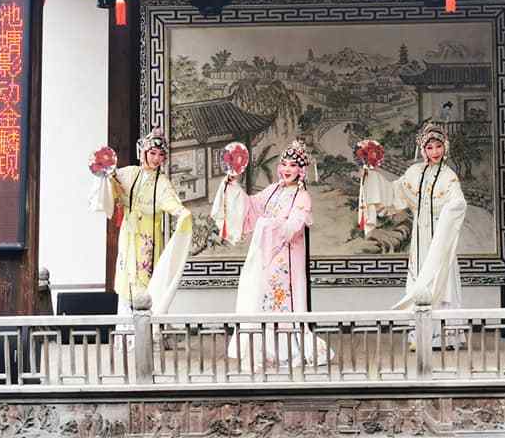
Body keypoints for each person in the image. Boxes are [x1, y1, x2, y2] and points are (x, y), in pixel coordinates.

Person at [212, 140, 329, 365]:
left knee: (284, 302)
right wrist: (233, 186)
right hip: (266, 256)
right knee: (263, 297)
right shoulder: (273, 189)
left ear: (301, 170)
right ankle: (265, 349)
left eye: (293, 165)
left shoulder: (302, 196)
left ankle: (289, 350)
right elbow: (251, 206)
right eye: (283, 164)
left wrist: (269, 225)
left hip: (287, 259)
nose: (286, 169)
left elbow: (293, 227)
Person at [364, 121, 467, 345]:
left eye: (438, 146)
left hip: (441, 236)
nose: (434, 152)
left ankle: (446, 337)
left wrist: (452, 208)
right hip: (420, 236)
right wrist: (372, 175)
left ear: (445, 147)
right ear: (423, 150)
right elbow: (392, 192)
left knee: (442, 279)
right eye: (429, 148)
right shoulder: (414, 172)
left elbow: (458, 201)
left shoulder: (449, 176)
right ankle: (420, 335)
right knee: (420, 278)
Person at [90, 128, 193, 318]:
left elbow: (171, 203)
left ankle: (148, 335)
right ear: (143, 153)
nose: (156, 158)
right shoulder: (130, 173)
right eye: (152, 153)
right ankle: (125, 334)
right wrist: (107, 175)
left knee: (147, 282)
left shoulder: (162, 183)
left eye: (160, 155)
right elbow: (111, 186)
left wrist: (182, 213)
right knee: (125, 281)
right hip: (128, 237)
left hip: (148, 239)